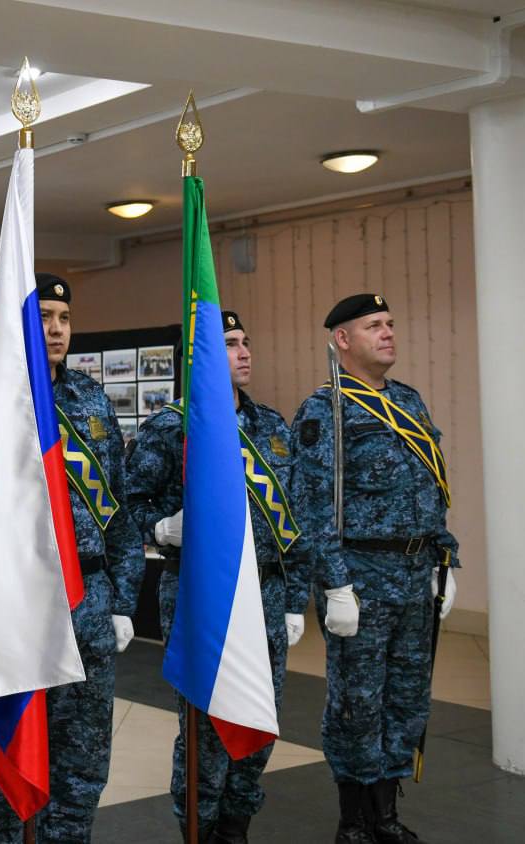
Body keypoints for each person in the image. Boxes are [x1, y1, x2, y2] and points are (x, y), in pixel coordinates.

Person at [0, 274, 146, 843]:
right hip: (16, 609)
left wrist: (122, 598)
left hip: (87, 605)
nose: (57, 329)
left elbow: (118, 507)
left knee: (83, 772)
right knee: (15, 775)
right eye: (44, 317)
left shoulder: (90, 398)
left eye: (64, 318)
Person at [126, 311, 311, 843]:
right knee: (208, 730)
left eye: (246, 342)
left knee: (258, 719)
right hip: (202, 595)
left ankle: (236, 828)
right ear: (200, 357)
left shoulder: (271, 428)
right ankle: (200, 831)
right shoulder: (171, 427)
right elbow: (128, 508)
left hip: (268, 594)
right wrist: (162, 527)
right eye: (230, 343)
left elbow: (293, 521)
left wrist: (296, 598)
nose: (245, 351)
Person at [289, 294, 458, 844]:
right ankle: (354, 820)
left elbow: (431, 489)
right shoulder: (325, 409)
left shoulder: (408, 400)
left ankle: (386, 812)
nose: (387, 332)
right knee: (357, 703)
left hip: (415, 577)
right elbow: (312, 505)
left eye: (390, 324)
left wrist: (445, 559)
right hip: (362, 579)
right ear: (342, 339)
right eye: (373, 326)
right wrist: (334, 583)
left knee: (408, 699)